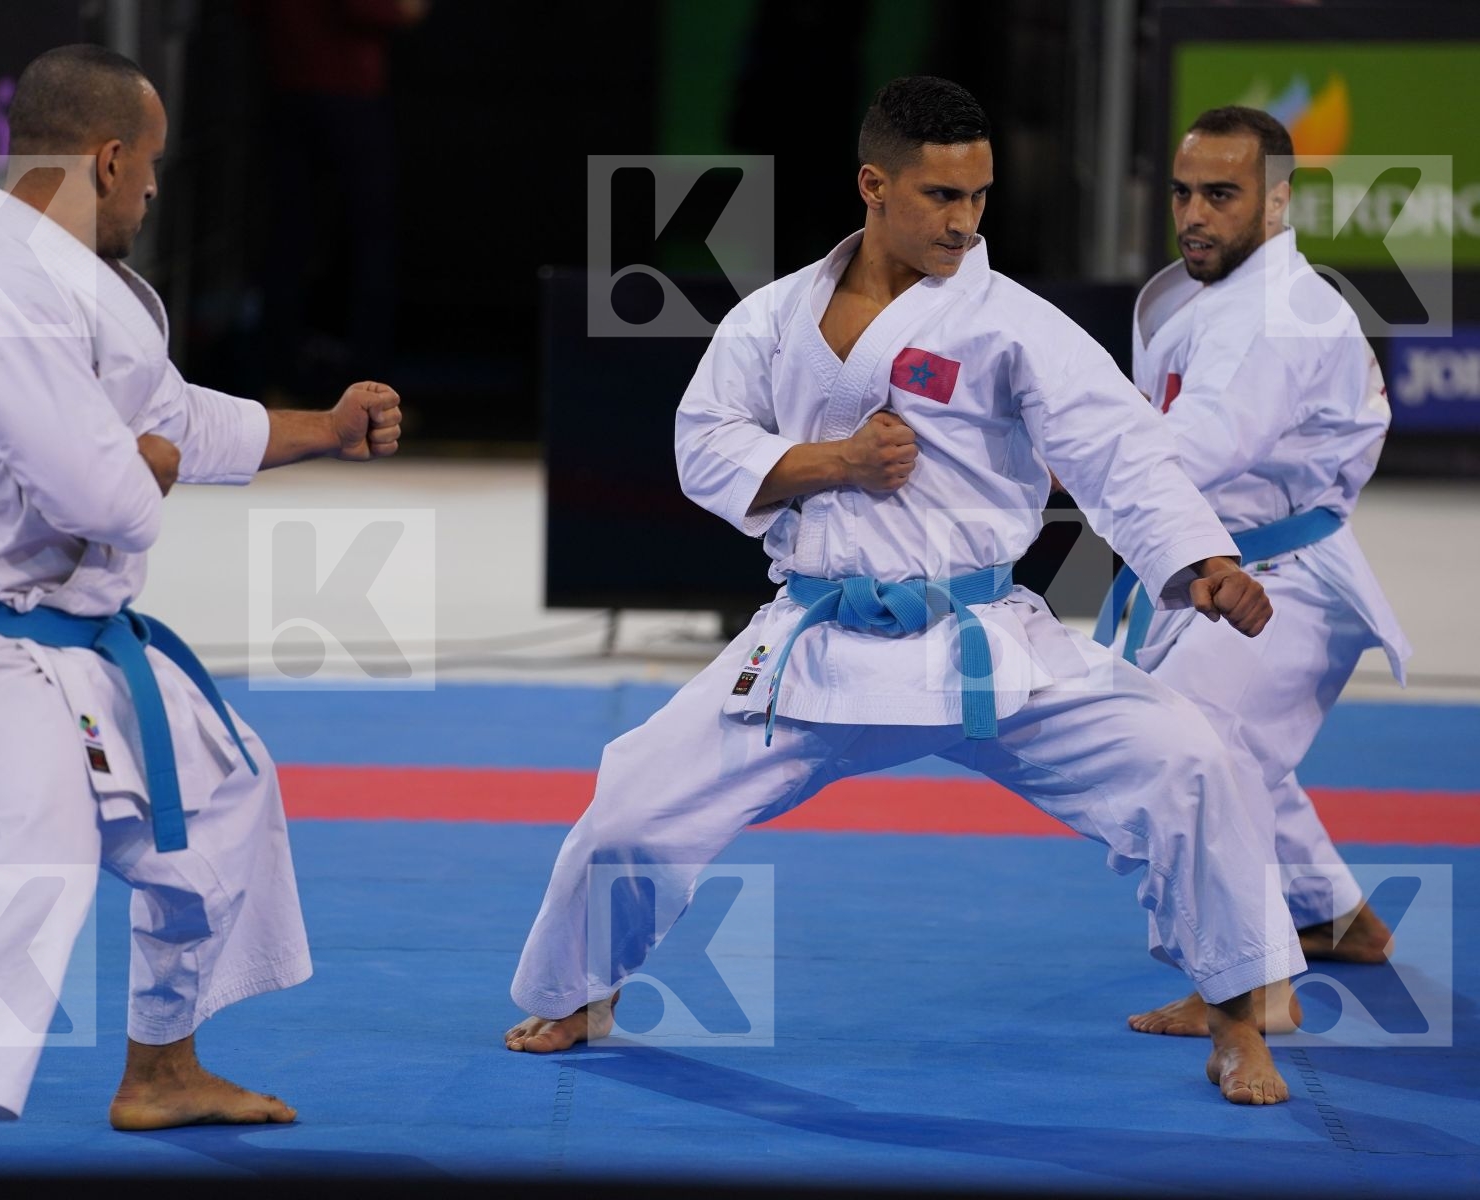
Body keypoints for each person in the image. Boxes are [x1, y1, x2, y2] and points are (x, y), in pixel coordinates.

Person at [504, 77, 1302, 1106]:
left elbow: (1121, 455)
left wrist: (1203, 562)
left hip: (980, 645)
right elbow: (701, 447)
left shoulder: (1014, 325)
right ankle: (579, 992)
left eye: (979, 196)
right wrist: (832, 462)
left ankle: (1238, 1019)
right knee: (632, 808)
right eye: (940, 197)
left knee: (1192, 759)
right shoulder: (773, 317)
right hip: (817, 641)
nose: (965, 222)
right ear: (873, 186)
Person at [0, 44, 402, 1127]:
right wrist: (144, 462)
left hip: (77, 642)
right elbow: (105, 498)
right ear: (110, 159)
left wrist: (325, 427)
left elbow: (178, 421)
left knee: (227, 803)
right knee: (35, 875)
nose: (156, 187)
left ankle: (162, 1068)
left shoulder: (82, 288)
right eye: (152, 163)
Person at [1100, 106, 1410, 1038]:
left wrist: (1057, 463)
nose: (1194, 215)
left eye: (1221, 195)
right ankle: (1333, 916)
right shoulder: (1202, 291)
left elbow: (1198, 445)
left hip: (1286, 580)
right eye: (1183, 193)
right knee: (1236, 750)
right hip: (1220, 560)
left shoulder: (1280, 315)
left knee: (1190, 751)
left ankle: (1246, 985)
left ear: (1277, 201)